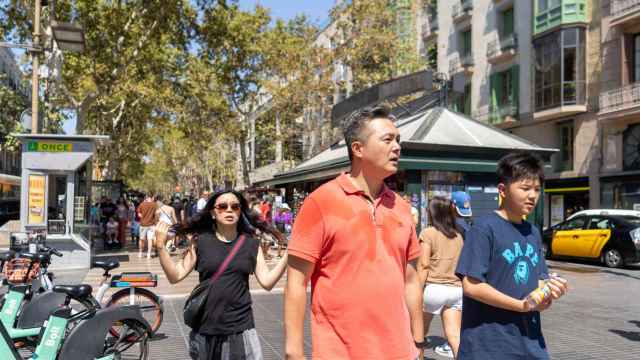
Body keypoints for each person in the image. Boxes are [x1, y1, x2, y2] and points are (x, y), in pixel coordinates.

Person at [284, 105, 424, 360]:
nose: (397, 147)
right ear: (358, 148)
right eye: (388, 139)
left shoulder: (402, 208)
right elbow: (296, 281)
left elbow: (411, 280)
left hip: (402, 352)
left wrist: (418, 342)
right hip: (340, 353)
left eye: (398, 140)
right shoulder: (321, 202)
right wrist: (294, 350)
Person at [455, 153, 569, 359]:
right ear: (502, 190)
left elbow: (540, 280)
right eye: (525, 188)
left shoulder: (533, 232)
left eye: (536, 189)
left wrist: (550, 290)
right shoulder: (484, 228)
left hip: (530, 343)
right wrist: (521, 306)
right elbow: (471, 285)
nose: (533, 195)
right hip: (488, 346)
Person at [154, 190, 288, 360]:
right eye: (223, 206)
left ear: (240, 211)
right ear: (212, 212)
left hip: (240, 329)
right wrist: (160, 247)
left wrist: (287, 256)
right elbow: (175, 276)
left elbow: (267, 282)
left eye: (235, 207)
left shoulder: (251, 244)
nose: (229, 210)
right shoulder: (200, 242)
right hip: (205, 331)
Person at [418, 196, 464, 359]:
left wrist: (417, 289)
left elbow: (424, 264)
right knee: (454, 335)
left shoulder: (428, 233)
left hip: (434, 288)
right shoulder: (458, 235)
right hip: (456, 290)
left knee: (419, 334)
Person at [137, 194, 158, 259]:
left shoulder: (142, 204)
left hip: (143, 224)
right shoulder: (155, 205)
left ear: (145, 198)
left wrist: (143, 217)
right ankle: (148, 254)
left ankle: (140, 253)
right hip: (152, 225)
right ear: (151, 198)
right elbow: (157, 214)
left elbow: (139, 214)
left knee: (141, 239)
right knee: (150, 240)